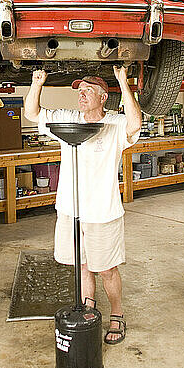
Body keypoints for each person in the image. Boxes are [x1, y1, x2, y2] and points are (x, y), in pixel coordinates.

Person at [24, 66, 142, 344]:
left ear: (103, 98)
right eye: (80, 90)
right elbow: (32, 113)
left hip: (102, 212)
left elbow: (135, 124)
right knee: (83, 266)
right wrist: (36, 83)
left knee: (107, 269)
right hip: (70, 210)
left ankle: (117, 314)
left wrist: (123, 83)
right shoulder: (69, 119)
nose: (82, 94)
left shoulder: (114, 124)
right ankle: (89, 308)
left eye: (89, 90)